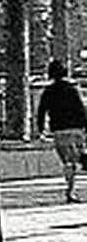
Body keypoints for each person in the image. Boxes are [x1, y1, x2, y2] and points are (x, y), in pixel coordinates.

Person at [36, 59, 87, 203]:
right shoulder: (73, 89)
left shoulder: (48, 92)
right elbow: (82, 110)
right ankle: (72, 189)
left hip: (59, 130)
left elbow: (41, 112)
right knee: (76, 159)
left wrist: (41, 130)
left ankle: (70, 190)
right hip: (76, 129)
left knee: (67, 162)